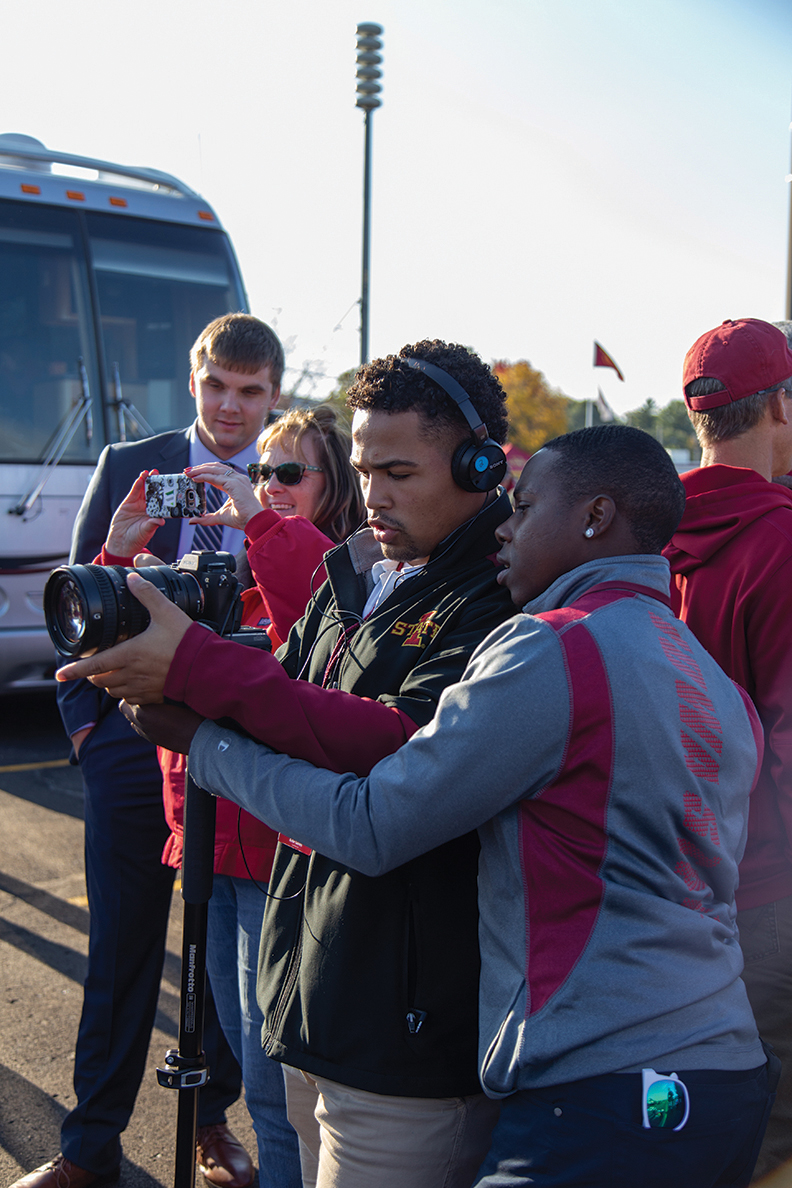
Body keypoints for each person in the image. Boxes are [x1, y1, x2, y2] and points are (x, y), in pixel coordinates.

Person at [119, 425, 777, 1188]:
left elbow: (371, 825)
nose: (504, 524)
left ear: (596, 517)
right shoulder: (713, 680)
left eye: (525, 507)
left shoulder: (552, 648)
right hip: (725, 1071)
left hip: (601, 1084)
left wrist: (204, 747)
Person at [56, 340, 517, 1188]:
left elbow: (388, 742)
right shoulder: (362, 573)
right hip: (318, 984)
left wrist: (193, 678)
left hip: (405, 1034)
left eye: (399, 472)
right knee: (277, 1131)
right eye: (364, 467)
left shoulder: (500, 596)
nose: (373, 495)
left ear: (480, 465)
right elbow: (283, 694)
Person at [12, 315, 283, 1188]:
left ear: (273, 394)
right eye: (217, 386)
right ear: (193, 378)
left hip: (237, 744)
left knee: (230, 952)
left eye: (250, 391)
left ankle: (210, 1120)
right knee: (123, 950)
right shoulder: (131, 463)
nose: (231, 407)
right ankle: (89, 1147)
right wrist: (93, 737)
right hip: (131, 741)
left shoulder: (290, 472)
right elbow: (74, 602)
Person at [120, 405, 363, 1184]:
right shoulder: (244, 572)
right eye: (261, 471)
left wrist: (259, 521)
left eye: (289, 472)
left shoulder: (334, 571)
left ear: (336, 485)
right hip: (208, 843)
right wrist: (122, 550)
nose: (268, 485)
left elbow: (319, 625)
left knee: (276, 1083)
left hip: (272, 855)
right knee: (246, 1062)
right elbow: (125, 633)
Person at [663, 317, 792, 1182]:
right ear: (782, 402)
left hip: (662, 886)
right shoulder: (781, 539)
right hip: (765, 891)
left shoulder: (638, 528)